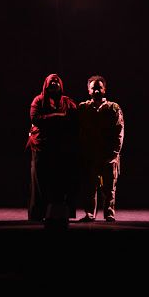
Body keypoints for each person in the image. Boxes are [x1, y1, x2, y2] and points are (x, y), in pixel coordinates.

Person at [26, 73, 78, 223]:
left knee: (60, 182)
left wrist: (52, 119)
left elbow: (74, 119)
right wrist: (58, 116)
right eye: (51, 81)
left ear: (61, 85)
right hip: (41, 147)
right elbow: (35, 118)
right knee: (39, 181)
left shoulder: (67, 101)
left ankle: (59, 214)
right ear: (46, 85)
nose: (54, 83)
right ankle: (37, 214)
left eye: (57, 81)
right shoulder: (38, 100)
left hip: (60, 148)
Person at [78, 75, 124, 222]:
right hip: (90, 154)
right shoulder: (83, 108)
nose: (96, 91)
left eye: (99, 88)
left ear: (104, 89)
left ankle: (109, 213)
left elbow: (119, 130)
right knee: (89, 186)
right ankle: (89, 213)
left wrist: (115, 152)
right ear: (88, 90)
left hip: (108, 154)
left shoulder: (113, 108)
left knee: (109, 187)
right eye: (93, 88)